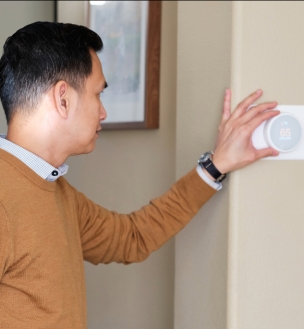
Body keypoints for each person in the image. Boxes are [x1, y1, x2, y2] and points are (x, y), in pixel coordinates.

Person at [0, 22, 279, 329]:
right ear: (63, 99)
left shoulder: (55, 190)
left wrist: (216, 165)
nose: (103, 112)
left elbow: (131, 238)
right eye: (98, 94)